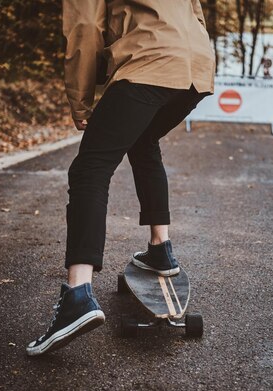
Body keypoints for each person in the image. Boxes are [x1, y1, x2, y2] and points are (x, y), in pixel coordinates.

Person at [26, 0, 215, 356]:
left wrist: (80, 102)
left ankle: (77, 296)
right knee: (143, 140)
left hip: (150, 63)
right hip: (195, 67)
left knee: (89, 169)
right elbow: (196, 11)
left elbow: (83, 28)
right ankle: (160, 250)